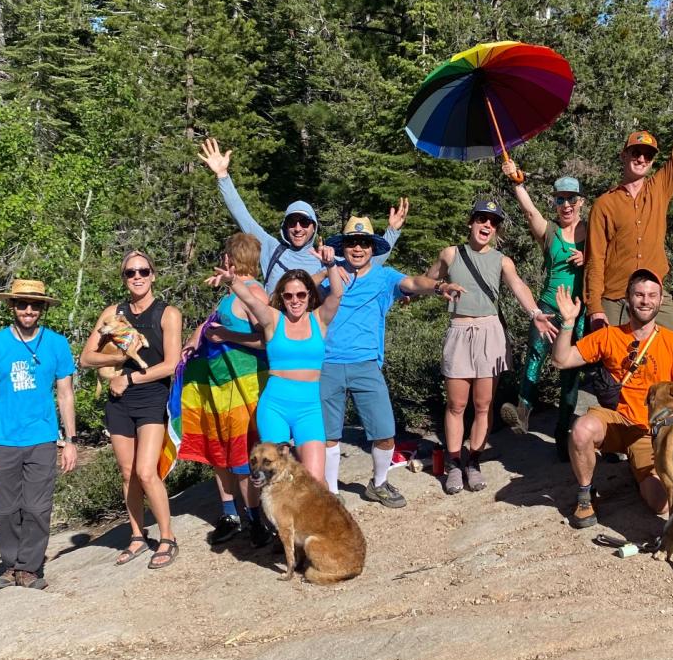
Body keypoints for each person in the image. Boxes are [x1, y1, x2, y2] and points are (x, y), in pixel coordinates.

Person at [320, 216, 463, 508]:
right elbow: (295, 296)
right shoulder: (329, 275)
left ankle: (379, 483)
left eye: (363, 243)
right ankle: (331, 493)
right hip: (327, 363)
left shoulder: (385, 278)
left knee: (385, 433)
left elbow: (412, 282)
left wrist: (437, 287)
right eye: (351, 243)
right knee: (328, 436)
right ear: (343, 246)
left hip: (366, 364)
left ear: (373, 248)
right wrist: (326, 268)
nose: (357, 248)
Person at [550, 270, 673, 530]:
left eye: (652, 295)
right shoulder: (610, 336)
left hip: (651, 433)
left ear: (660, 300)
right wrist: (567, 323)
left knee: (661, 504)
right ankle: (586, 496)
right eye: (639, 294)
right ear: (627, 298)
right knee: (581, 430)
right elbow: (561, 360)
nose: (646, 300)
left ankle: (640, 472)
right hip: (617, 421)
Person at [427, 199, 557, 494]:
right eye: (482, 219)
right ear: (471, 222)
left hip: (489, 332)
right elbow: (429, 278)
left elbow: (519, 286)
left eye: (493, 222)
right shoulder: (450, 254)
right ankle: (454, 464)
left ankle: (473, 462)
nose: (487, 225)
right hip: (460, 330)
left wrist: (535, 313)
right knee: (456, 405)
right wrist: (430, 289)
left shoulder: (502, 260)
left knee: (483, 405)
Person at [584, 56, 673, 337]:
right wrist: (595, 308)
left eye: (648, 155)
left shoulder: (659, 187)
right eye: (636, 153)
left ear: (652, 161)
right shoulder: (605, 204)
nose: (641, 158)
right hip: (615, 298)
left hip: (654, 295)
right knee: (613, 373)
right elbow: (595, 259)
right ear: (624, 156)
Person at [79, 251, 184, 570]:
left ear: (153, 274)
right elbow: (86, 358)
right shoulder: (113, 313)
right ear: (123, 278)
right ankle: (137, 536)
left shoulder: (168, 314)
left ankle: (167, 537)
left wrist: (129, 377)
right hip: (119, 401)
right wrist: (118, 360)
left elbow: (170, 365)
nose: (137, 276)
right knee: (127, 473)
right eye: (130, 272)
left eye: (143, 271)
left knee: (146, 471)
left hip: (152, 397)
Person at [0, 279, 78, 590]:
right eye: (22, 304)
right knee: (5, 510)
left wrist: (70, 441)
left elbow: (66, 394)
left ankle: (30, 568)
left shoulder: (57, 344)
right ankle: (10, 566)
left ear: (43, 308)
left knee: (36, 507)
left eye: (34, 304)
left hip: (42, 439)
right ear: (12, 307)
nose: (28, 310)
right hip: (1, 440)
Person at [198, 137, 406, 290]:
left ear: (314, 227)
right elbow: (242, 215)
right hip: (273, 340)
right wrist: (222, 175)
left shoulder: (324, 258)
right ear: (285, 226)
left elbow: (368, 262)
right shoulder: (272, 248)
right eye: (292, 222)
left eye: (304, 222)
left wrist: (392, 232)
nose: (298, 228)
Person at [217, 262, 346, 485]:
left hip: (310, 408)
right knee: (276, 480)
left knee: (315, 479)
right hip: (275, 407)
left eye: (300, 294)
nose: (295, 300)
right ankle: (278, 520)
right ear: (282, 298)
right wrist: (233, 280)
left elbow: (337, 294)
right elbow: (249, 300)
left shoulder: (319, 319)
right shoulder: (273, 320)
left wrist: (331, 265)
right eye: (288, 296)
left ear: (309, 294)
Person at [179, 232, 270, 547]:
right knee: (221, 452)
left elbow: (266, 338)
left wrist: (227, 337)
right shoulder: (231, 293)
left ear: (231, 259)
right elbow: (212, 324)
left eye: (223, 256)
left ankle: (256, 521)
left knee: (244, 458)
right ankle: (230, 514)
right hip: (219, 388)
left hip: (244, 388)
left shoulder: (255, 292)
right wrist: (195, 336)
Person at [498, 159, 587, 458]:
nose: (566, 204)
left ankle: (564, 433)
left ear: (581, 202)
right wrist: (517, 182)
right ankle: (523, 413)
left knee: (570, 373)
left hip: (577, 311)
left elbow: (610, 255)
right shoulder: (549, 232)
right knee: (534, 357)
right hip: (549, 306)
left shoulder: (592, 231)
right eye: (560, 199)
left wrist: (587, 258)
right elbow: (529, 211)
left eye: (571, 199)